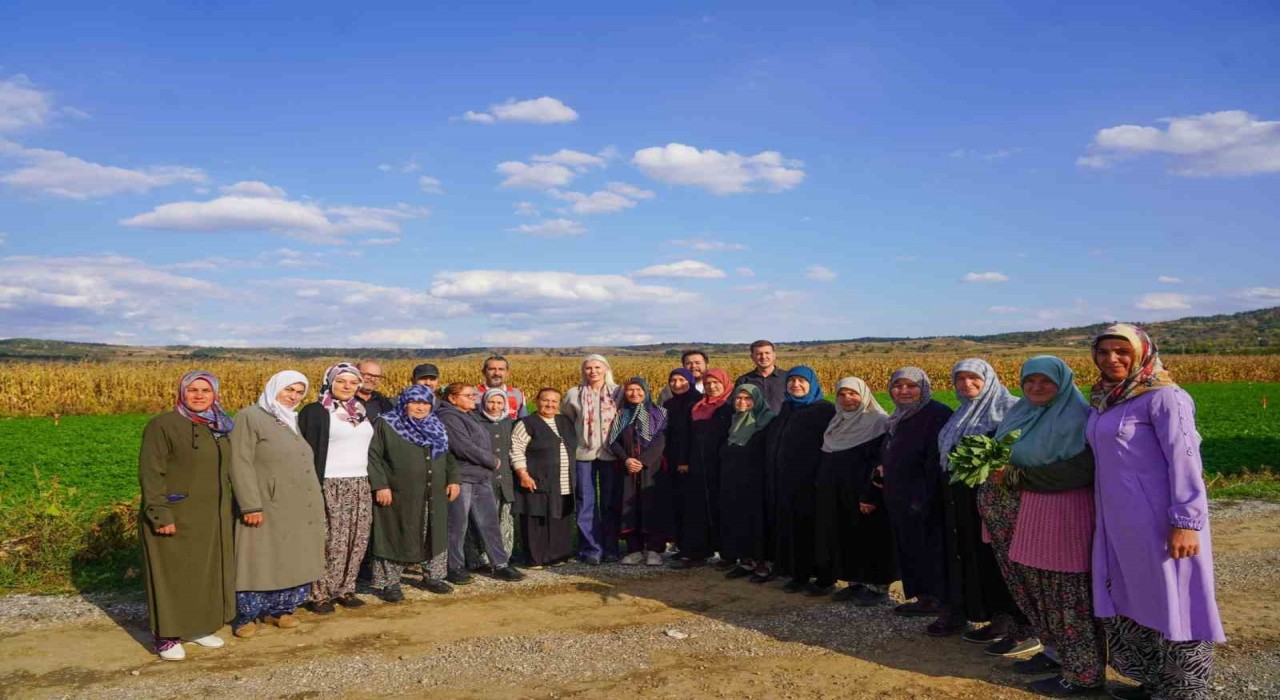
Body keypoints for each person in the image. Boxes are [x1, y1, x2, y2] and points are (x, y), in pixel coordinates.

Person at [1086, 324, 1225, 700]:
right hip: (1118, 525)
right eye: (1103, 351)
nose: (1111, 358)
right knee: (1135, 599)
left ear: (1142, 353)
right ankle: (1153, 683)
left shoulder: (1165, 398)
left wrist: (1186, 522)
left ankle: (1183, 691)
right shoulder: (1106, 398)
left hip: (1160, 524)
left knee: (1175, 600)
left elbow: (1186, 462)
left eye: (1121, 350)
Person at [982, 356, 1105, 697]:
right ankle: (1054, 653)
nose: (1036, 388)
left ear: (1062, 383)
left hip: (1062, 517)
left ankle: (1084, 674)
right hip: (1026, 517)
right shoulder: (1021, 412)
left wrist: (1018, 476)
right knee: (1037, 593)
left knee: (1067, 596)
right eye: (1029, 381)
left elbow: (1080, 471)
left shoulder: (1077, 418)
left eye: (1045, 381)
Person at [138, 370, 235, 661]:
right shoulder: (163, 425)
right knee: (171, 576)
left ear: (215, 394)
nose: (199, 395)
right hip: (174, 513)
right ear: (182, 392)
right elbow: (151, 472)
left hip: (210, 516)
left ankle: (196, 627)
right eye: (192, 389)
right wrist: (159, 513)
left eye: (205, 390)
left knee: (203, 573)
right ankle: (166, 636)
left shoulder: (218, 425)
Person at [935, 359, 1028, 646]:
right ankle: (987, 614)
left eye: (974, 378)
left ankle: (1014, 621)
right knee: (973, 554)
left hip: (1000, 500)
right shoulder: (960, 413)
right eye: (960, 379)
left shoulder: (1012, 409)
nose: (966, 384)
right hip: (962, 498)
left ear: (989, 379)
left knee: (998, 558)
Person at [227, 370, 325, 638]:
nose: (293, 397)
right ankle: (247, 616)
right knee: (258, 557)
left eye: (298, 392)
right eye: (288, 390)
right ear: (274, 388)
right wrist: (250, 504)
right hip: (266, 503)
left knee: (291, 556)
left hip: (296, 503)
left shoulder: (289, 419)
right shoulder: (251, 417)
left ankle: (280, 610)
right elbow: (240, 461)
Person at [367, 385, 459, 602]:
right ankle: (389, 583)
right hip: (398, 493)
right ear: (404, 402)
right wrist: (380, 485)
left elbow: (449, 457)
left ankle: (433, 576)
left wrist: (454, 479)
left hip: (434, 491)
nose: (420, 407)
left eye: (425, 403)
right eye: (415, 402)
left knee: (433, 532)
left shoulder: (436, 425)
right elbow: (373, 456)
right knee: (395, 533)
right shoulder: (386, 424)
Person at [298, 363, 375, 614]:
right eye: (342, 381)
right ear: (330, 381)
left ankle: (345, 587)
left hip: (359, 481)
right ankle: (319, 593)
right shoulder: (316, 411)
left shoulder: (361, 411)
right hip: (329, 481)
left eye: (353, 382)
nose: (347, 387)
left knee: (356, 538)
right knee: (329, 540)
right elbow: (306, 450)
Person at [813, 377, 896, 606]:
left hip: (865, 494)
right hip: (838, 492)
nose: (847, 399)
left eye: (853, 393)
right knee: (845, 536)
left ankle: (878, 586)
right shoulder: (837, 421)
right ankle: (854, 582)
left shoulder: (878, 422)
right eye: (842, 394)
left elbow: (879, 463)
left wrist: (870, 495)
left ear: (864, 395)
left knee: (870, 538)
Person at [882, 367, 954, 622]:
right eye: (897, 385)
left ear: (923, 388)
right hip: (900, 495)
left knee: (932, 549)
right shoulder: (899, 416)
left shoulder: (936, 414)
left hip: (925, 497)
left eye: (910, 386)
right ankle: (923, 597)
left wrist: (921, 496)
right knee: (910, 547)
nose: (903, 391)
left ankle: (941, 601)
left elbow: (936, 460)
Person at [435, 383, 525, 583]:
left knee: (489, 522)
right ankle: (454, 566)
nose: (473, 398)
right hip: (463, 477)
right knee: (457, 525)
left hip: (480, 476)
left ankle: (500, 563)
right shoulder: (448, 417)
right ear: (452, 398)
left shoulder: (467, 415)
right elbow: (462, 447)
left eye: (473, 395)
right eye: (467, 395)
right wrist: (492, 461)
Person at [767, 366, 837, 593]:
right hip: (788, 482)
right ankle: (798, 574)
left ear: (812, 383)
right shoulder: (787, 407)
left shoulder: (824, 410)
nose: (795, 385)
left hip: (812, 482)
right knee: (794, 528)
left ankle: (824, 578)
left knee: (816, 530)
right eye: (792, 381)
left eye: (801, 381)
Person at [561, 354, 622, 565]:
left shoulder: (618, 392)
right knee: (585, 501)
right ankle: (591, 548)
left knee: (610, 502)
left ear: (606, 369)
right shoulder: (573, 394)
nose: (593, 371)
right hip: (582, 454)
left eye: (597, 367)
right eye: (588, 368)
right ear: (583, 371)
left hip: (610, 454)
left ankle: (612, 548)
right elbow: (567, 423)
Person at [671, 367, 733, 569]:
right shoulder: (697, 407)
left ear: (725, 384)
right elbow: (686, 437)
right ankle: (696, 552)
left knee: (722, 509)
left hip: (722, 467)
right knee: (697, 510)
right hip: (697, 466)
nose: (712, 387)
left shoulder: (731, 407)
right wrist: (683, 460)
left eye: (716, 383)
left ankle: (728, 554)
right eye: (707, 384)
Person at [511, 388, 578, 567]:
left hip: (564, 480)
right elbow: (516, 450)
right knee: (536, 518)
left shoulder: (565, 421)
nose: (549, 405)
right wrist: (523, 474)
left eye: (554, 401)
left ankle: (558, 556)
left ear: (559, 404)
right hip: (537, 479)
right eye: (545, 400)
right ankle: (536, 559)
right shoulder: (526, 423)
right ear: (537, 400)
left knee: (560, 518)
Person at [608, 377, 669, 565]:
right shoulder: (621, 414)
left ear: (646, 390)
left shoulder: (660, 413)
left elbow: (661, 439)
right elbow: (613, 441)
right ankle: (634, 549)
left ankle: (654, 549)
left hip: (652, 468)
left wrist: (643, 461)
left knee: (653, 507)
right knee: (629, 507)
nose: (634, 394)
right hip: (628, 469)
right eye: (630, 390)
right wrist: (626, 460)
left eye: (638, 389)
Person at [717, 384, 775, 580]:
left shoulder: (766, 422)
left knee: (756, 522)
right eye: (738, 398)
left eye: (747, 398)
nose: (742, 402)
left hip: (756, 483)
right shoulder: (735, 421)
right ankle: (746, 561)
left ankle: (763, 564)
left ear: (757, 400)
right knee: (738, 520)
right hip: (734, 481)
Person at [464, 387, 516, 569]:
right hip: (483, 478)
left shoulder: (509, 422)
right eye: (491, 402)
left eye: (499, 403)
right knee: (480, 520)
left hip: (505, 479)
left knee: (504, 519)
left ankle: (503, 558)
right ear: (484, 402)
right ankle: (478, 559)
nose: (495, 406)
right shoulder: (474, 421)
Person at [660, 368, 701, 556]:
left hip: (691, 461)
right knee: (677, 503)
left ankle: (695, 548)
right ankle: (682, 545)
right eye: (673, 380)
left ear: (690, 381)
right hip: (672, 460)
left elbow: (693, 435)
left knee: (691, 505)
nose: (677, 384)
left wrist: (686, 460)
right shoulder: (668, 404)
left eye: (681, 380)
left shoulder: (698, 402)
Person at [735, 340, 788, 413]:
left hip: (782, 423)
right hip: (753, 424)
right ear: (752, 357)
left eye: (767, 353)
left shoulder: (787, 377)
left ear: (774, 355)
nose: (763, 357)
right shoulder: (744, 380)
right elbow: (736, 406)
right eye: (759, 354)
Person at [477, 355, 528, 420]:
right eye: (492, 369)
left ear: (507, 373)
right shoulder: (473, 393)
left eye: (501, 369)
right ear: (483, 372)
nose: (497, 373)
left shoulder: (517, 393)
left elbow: (523, 420)